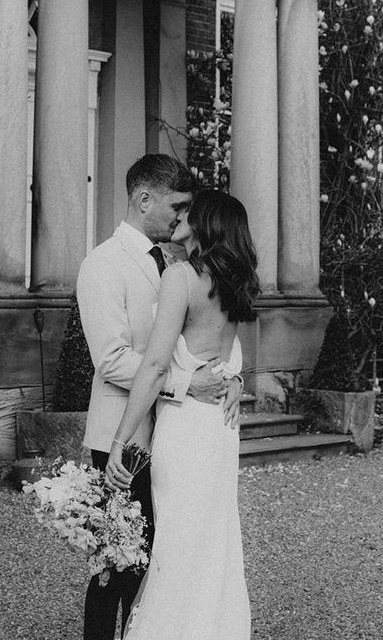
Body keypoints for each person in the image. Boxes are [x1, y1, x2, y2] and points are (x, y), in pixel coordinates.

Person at [76, 155, 244, 640]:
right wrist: (186, 383)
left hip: (174, 436)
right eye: (176, 206)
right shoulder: (103, 263)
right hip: (121, 438)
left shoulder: (177, 263)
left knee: (159, 556)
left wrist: (229, 377)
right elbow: (110, 359)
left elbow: (205, 336)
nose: (179, 217)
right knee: (113, 562)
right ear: (144, 199)